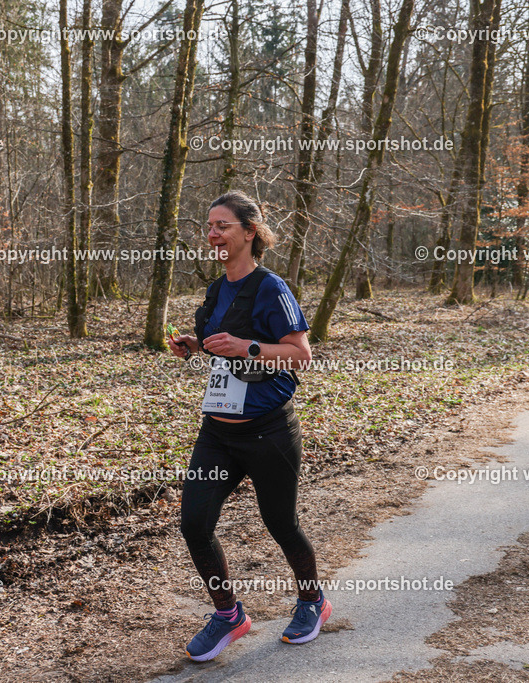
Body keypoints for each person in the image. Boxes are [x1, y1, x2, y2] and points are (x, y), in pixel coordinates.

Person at [167, 190, 332, 662]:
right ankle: (228, 615)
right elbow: (226, 342)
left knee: (281, 523)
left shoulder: (271, 288)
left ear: (250, 232)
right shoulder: (218, 288)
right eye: (209, 226)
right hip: (217, 432)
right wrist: (196, 345)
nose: (212, 234)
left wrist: (250, 348)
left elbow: (301, 354)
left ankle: (312, 602)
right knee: (194, 524)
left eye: (222, 226)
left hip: (268, 431)